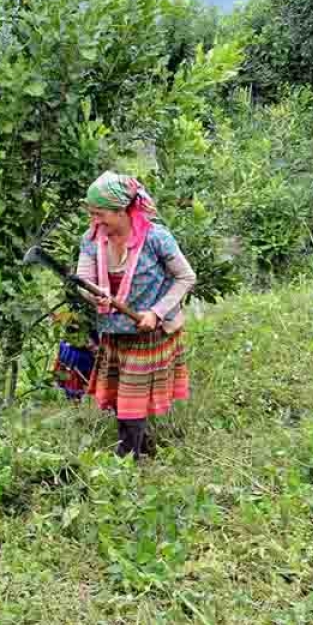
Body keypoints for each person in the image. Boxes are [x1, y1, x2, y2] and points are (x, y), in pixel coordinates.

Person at [76, 171, 197, 459]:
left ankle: (126, 458)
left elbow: (185, 277)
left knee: (132, 398)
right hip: (113, 332)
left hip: (147, 333)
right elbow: (83, 277)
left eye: (100, 213)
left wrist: (156, 313)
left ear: (121, 210)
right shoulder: (92, 238)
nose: (95, 220)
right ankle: (141, 447)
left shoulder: (156, 238)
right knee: (122, 397)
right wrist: (92, 293)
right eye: (92, 214)